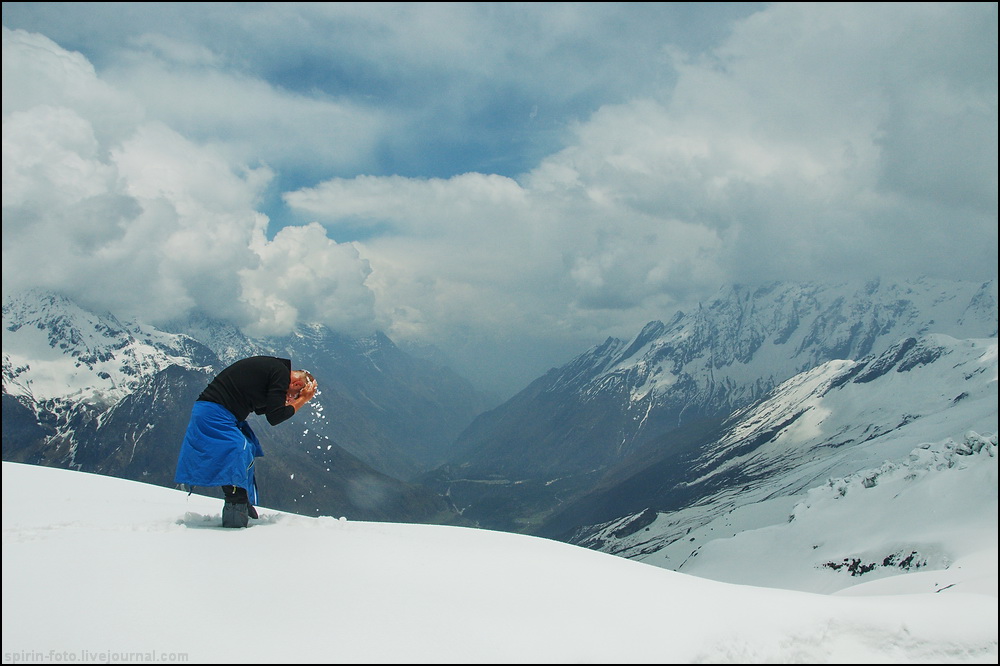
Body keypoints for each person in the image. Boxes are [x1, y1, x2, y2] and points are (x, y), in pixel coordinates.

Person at [174, 356, 318, 528]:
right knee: (237, 450)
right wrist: (302, 400)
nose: (291, 398)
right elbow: (275, 416)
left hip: (215, 411)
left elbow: (262, 408)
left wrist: (287, 401)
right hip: (214, 413)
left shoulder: (275, 370)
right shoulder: (280, 373)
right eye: (294, 394)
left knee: (247, 446)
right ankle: (236, 508)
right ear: (296, 385)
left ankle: (241, 504)